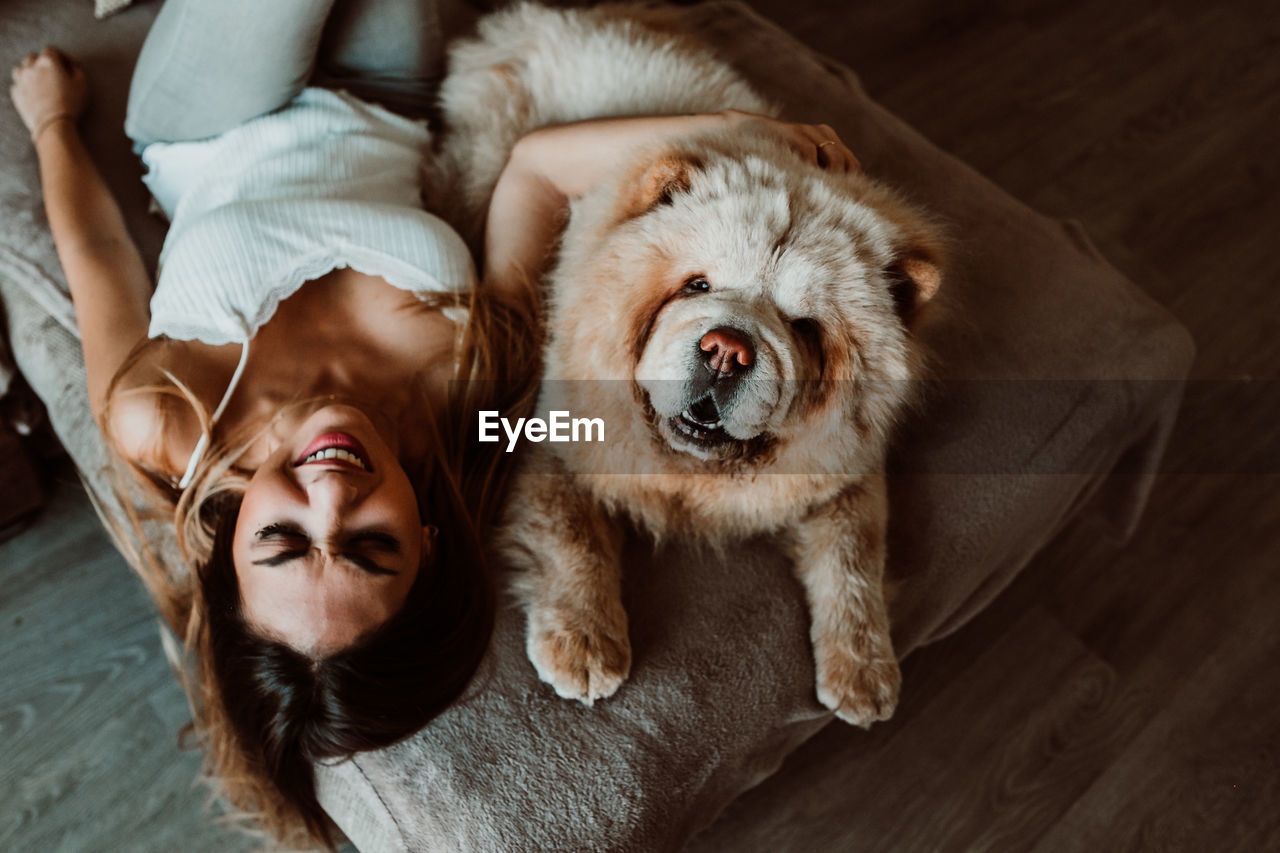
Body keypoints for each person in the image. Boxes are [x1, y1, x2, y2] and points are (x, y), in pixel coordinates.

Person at [8, 0, 858, 846]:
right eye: (371, 545)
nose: (332, 494)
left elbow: (99, 256)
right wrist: (735, 131)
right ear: (428, 536)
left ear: (229, 545)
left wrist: (51, 122)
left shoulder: (162, 414)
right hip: (384, 106)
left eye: (285, 539)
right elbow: (535, 174)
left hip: (209, 123)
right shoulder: (476, 403)